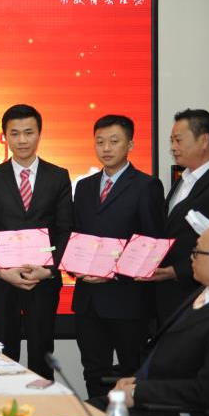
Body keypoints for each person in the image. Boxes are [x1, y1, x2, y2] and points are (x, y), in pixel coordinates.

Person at [105, 221, 209, 416]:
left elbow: (208, 392)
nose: (191, 257)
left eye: (197, 251)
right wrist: (135, 381)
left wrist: (139, 392)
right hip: (144, 397)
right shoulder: (204, 291)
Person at [71, 115, 165, 398]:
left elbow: (152, 244)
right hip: (88, 300)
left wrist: (112, 272)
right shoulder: (84, 186)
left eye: (114, 141)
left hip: (128, 300)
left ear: (130, 144)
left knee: (131, 373)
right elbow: (76, 235)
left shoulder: (147, 185)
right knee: (93, 372)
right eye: (100, 142)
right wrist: (75, 267)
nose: (106, 148)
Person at [0, 104, 72, 380]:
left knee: (41, 351)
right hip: (4, 281)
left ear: (39, 134)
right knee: (3, 352)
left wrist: (49, 270)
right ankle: (4, 403)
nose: (22, 140)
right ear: (4, 136)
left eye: (28, 132)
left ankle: (43, 403)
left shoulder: (58, 176)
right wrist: (2, 270)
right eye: (15, 133)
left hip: (43, 280)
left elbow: (65, 229)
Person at [152, 109, 209, 325]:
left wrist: (178, 271)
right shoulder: (183, 180)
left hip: (200, 296)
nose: (173, 147)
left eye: (178, 140)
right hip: (169, 296)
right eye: (171, 141)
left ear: (204, 140)